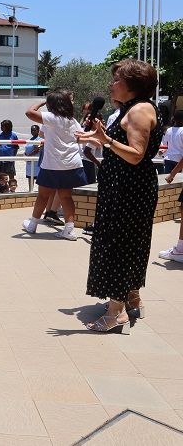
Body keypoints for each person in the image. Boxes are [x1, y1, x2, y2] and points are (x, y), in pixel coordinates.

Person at [75, 59, 162, 333]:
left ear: (132, 85)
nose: (111, 84)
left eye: (116, 80)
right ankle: (133, 298)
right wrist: (95, 138)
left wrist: (106, 140)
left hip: (129, 189)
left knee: (119, 246)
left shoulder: (139, 111)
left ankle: (116, 312)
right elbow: (121, 146)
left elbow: (136, 155)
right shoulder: (132, 108)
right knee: (131, 243)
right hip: (123, 187)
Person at [21, 91, 87, 240]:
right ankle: (69, 230)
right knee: (66, 196)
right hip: (72, 163)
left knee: (43, 195)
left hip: (52, 163)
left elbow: (29, 112)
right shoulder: (72, 120)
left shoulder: (51, 117)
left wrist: (41, 103)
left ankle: (32, 224)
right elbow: (80, 138)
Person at [24, 124, 43, 191]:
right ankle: (30, 190)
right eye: (32, 130)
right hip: (29, 161)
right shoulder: (29, 139)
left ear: (38, 131)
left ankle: (40, 191)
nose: (33, 132)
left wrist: (28, 156)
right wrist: (24, 155)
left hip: (36, 162)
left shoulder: (40, 139)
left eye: (35, 130)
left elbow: (36, 150)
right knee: (30, 177)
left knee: (39, 177)